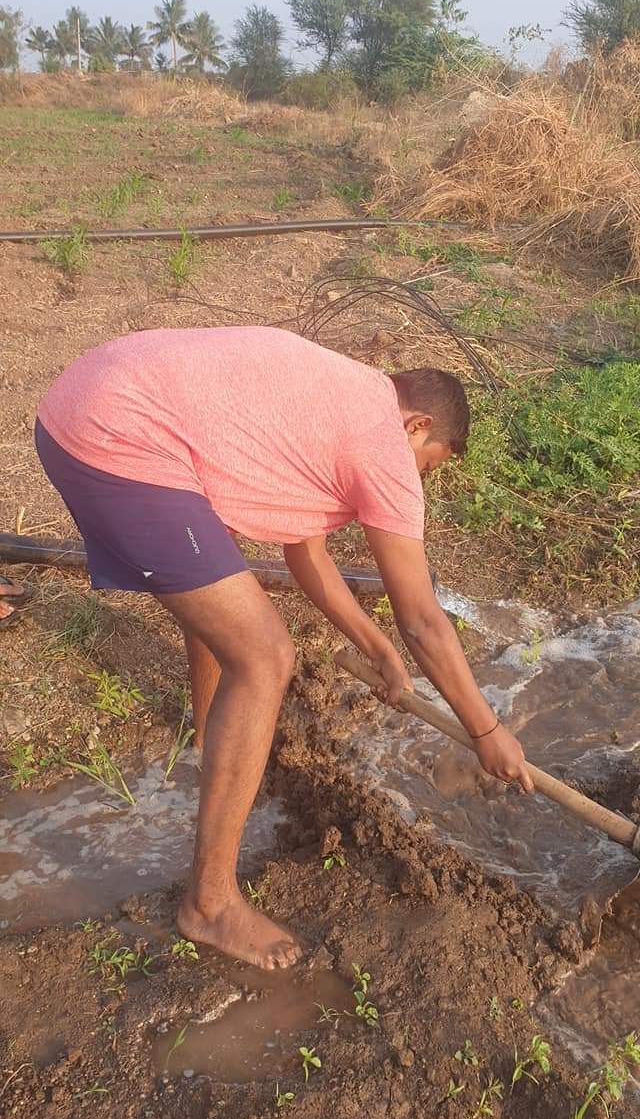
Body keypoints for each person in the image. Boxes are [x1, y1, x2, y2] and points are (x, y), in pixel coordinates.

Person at [36, 325, 533, 970]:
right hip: (116, 436)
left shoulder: (346, 396)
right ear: (418, 425)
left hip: (82, 398)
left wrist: (374, 645)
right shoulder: (384, 443)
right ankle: (210, 906)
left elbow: (308, 553)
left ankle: (212, 739)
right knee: (265, 655)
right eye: (428, 465)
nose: (418, 482)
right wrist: (486, 730)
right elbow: (423, 620)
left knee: (221, 597)